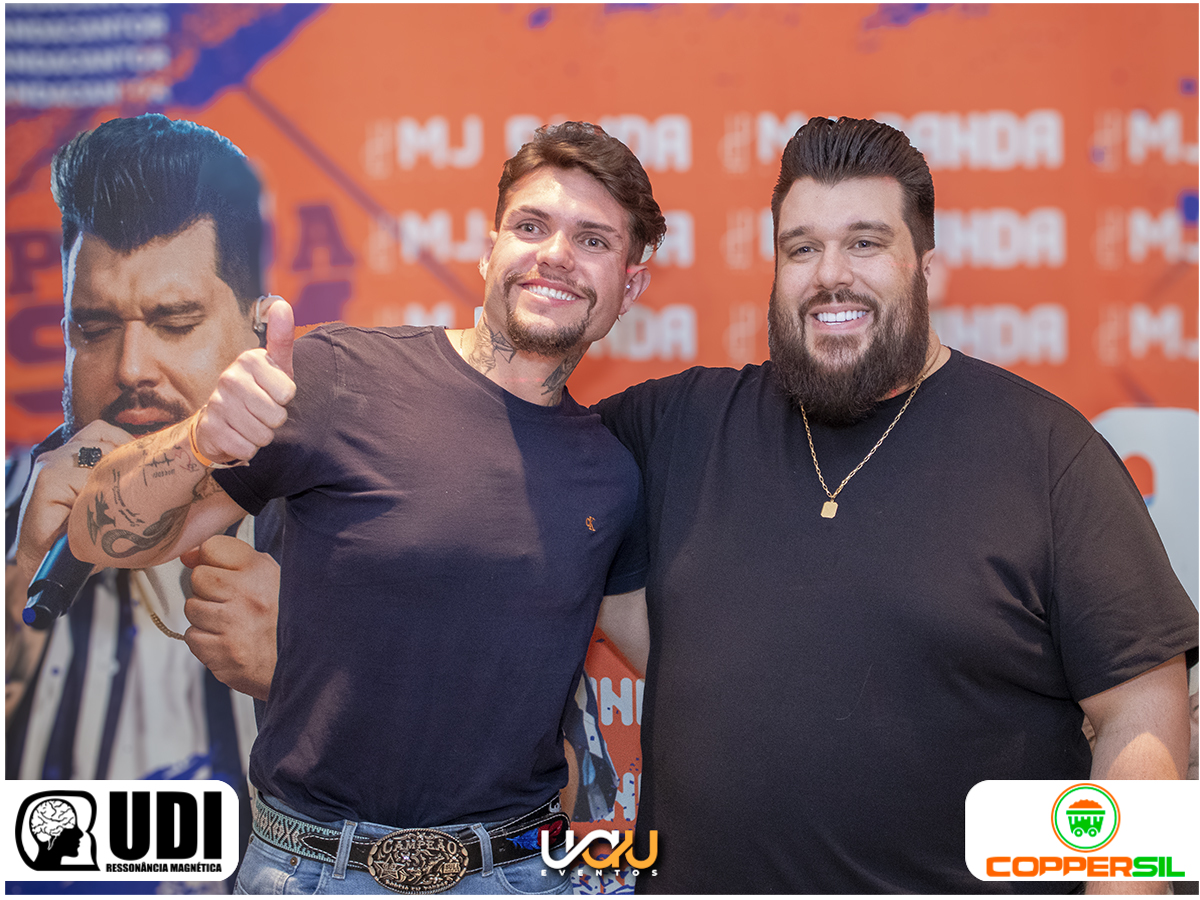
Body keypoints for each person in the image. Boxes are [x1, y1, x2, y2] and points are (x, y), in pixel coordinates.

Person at [592, 116, 1197, 893]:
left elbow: (1141, 710)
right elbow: (521, 450)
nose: (830, 274)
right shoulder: (679, 427)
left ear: (926, 267)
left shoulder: (1047, 451)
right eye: (801, 248)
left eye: (865, 243)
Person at [67, 121, 665, 895]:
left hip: (517, 872)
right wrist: (199, 440)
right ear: (489, 251)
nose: (555, 255)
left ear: (630, 286)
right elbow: (101, 535)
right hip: (312, 872)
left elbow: (673, 659)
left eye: (592, 240)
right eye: (531, 226)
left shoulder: (611, 474)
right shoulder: (339, 376)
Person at [5, 114, 282, 891]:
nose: (131, 367)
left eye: (175, 322)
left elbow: (499, 815)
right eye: (93, 328)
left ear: (259, 330)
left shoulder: (356, 523)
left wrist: (309, 673)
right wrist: (21, 577)